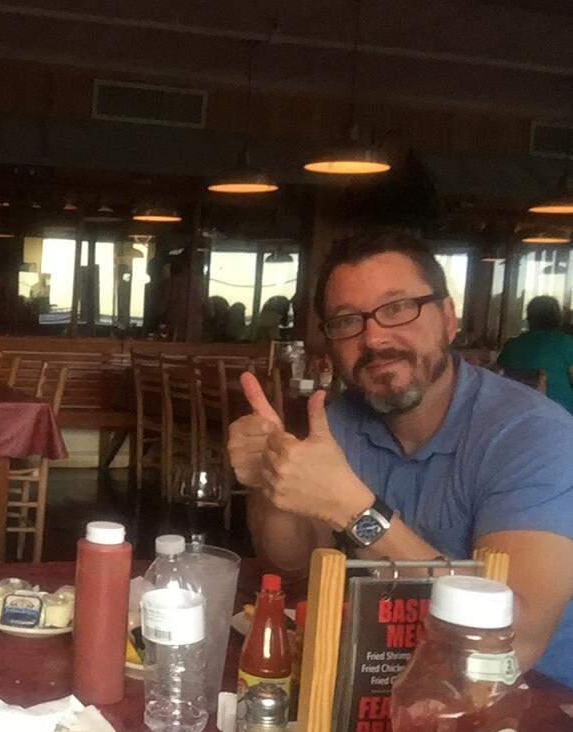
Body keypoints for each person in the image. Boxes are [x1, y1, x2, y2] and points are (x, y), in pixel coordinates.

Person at [227, 230, 573, 686]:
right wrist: (271, 479)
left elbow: (515, 639)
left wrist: (356, 512)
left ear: (448, 319)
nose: (374, 338)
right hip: (382, 680)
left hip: (527, 702)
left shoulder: (533, 435)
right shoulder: (339, 422)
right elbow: (292, 565)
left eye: (397, 308)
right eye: (347, 320)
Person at [497, 295, 573, 415]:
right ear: (558, 318)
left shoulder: (512, 345)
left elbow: (499, 374)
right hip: (561, 412)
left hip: (518, 411)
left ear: (529, 317)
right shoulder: (565, 343)